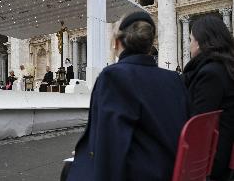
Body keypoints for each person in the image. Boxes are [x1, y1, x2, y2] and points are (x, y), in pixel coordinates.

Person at [65, 11, 190, 181]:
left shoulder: (113, 76)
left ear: (117, 42)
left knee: (69, 170)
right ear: (150, 43)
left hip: (137, 174)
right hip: (171, 171)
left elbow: (109, 147)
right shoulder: (174, 79)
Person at [182, 15, 234, 181]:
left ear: (200, 42)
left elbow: (198, 127)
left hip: (210, 166)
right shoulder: (224, 68)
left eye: (190, 40)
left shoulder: (211, 74)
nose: (189, 46)